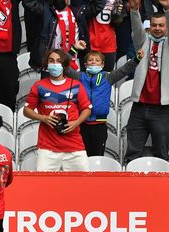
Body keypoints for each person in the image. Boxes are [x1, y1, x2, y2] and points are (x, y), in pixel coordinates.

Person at [65, 41, 144, 156]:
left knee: (97, 156)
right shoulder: (79, 77)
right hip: (81, 124)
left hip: (99, 125)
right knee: (81, 157)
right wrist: (74, 49)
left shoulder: (108, 77)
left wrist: (136, 59)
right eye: (90, 60)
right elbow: (64, 67)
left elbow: (124, 69)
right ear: (85, 64)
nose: (93, 62)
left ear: (102, 65)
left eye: (97, 61)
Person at [23, 49, 92, 171]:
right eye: (51, 61)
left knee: (83, 186)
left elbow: (87, 109)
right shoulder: (39, 86)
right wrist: (43, 118)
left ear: (64, 65)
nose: (55, 64)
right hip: (47, 149)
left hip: (75, 147)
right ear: (47, 64)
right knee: (44, 187)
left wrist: (76, 123)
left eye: (58, 61)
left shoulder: (76, 85)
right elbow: (27, 110)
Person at [124, 0, 169, 163]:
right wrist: (135, 11)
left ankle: (163, 189)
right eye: (154, 25)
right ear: (149, 27)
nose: (157, 28)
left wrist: (167, 9)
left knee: (162, 155)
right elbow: (136, 30)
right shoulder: (142, 43)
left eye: (161, 25)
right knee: (132, 155)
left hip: (163, 110)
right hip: (139, 108)